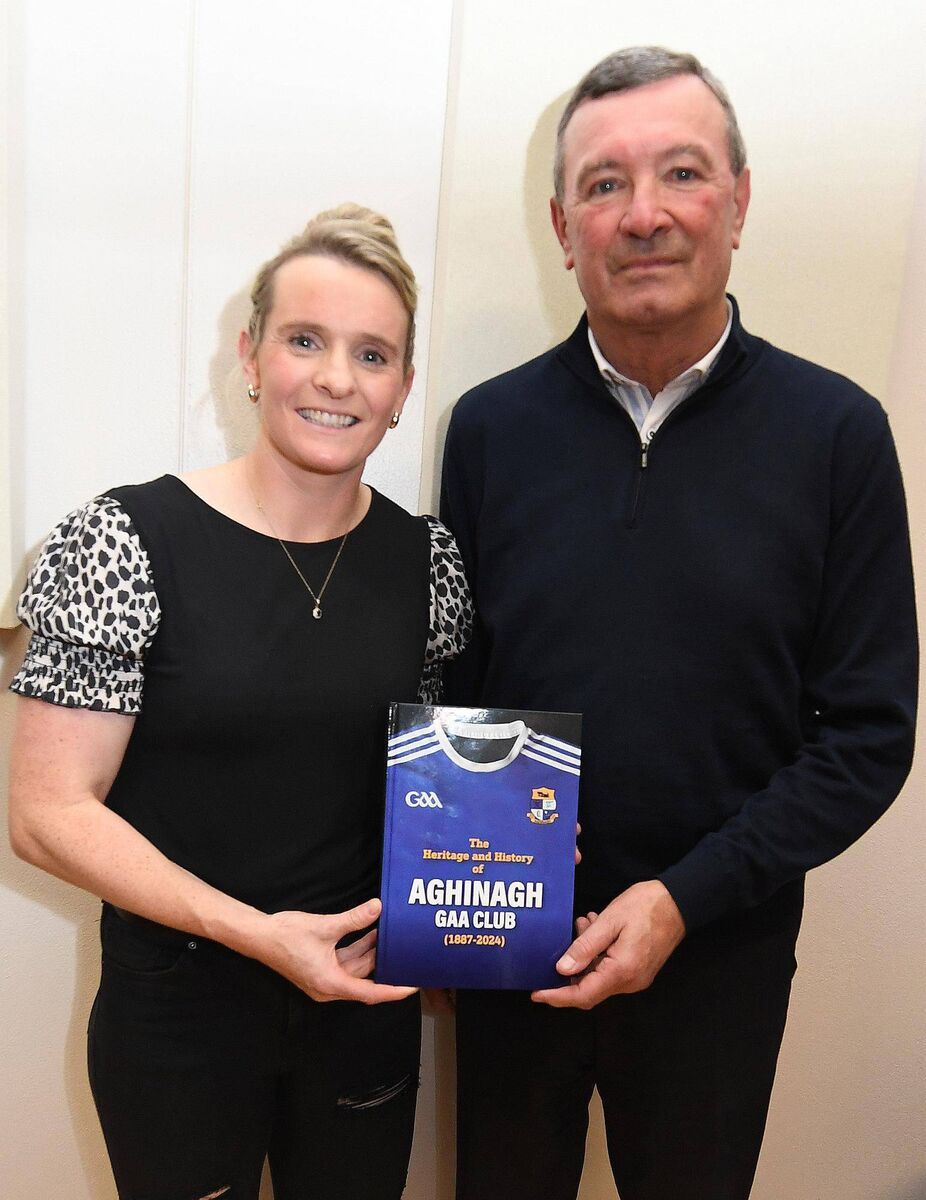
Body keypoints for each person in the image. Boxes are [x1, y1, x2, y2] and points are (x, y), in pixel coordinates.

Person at [440, 47, 917, 1200]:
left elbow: (865, 738)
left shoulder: (837, 436)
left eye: (681, 174)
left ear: (738, 203)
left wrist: (682, 898)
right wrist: (445, 898)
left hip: (717, 954)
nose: (641, 214)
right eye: (603, 185)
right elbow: (457, 690)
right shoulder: (490, 429)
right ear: (562, 227)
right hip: (511, 938)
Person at [8, 203, 471, 1200]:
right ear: (252, 355)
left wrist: (495, 875)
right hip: (178, 1015)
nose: (337, 378)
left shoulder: (427, 565)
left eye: (373, 354)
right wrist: (256, 934)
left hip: (362, 1008)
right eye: (305, 340)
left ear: (401, 389)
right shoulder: (120, 542)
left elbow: (425, 792)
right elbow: (46, 815)